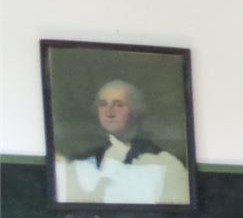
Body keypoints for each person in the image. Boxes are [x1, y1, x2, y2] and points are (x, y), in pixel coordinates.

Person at [57, 79, 190, 205]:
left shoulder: (163, 162)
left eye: (119, 105)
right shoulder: (81, 162)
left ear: (135, 111)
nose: (109, 112)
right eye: (103, 104)